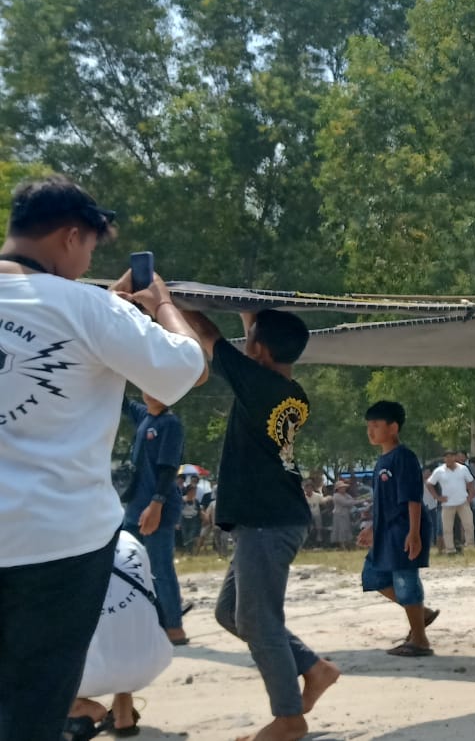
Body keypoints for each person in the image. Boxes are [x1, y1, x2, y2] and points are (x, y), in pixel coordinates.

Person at [1, 176, 208, 739]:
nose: (89, 259)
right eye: (91, 246)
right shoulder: (88, 308)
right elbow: (183, 366)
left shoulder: (88, 307)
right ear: (72, 235)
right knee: (36, 701)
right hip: (58, 541)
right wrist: (159, 301)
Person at [181, 305, 339, 739]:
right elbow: (252, 348)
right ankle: (314, 668)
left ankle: (289, 718)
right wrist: (251, 319)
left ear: (259, 350)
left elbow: (209, 335)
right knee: (233, 615)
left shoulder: (255, 383)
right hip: (271, 518)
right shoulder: (290, 392)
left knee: (257, 618)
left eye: (250, 339)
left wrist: (172, 303)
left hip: (268, 520)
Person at [62, 531, 175, 740]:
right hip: (148, 662)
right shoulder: (130, 540)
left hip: (87, 677)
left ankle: (80, 707)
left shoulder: (58, 544)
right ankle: (124, 714)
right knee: (122, 626)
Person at [358, 401, 436, 658]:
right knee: (373, 577)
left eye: (376, 425)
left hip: (403, 528)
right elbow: (383, 502)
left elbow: (412, 498)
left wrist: (414, 533)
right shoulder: (381, 460)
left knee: (405, 580)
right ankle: (420, 614)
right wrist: (372, 528)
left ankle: (420, 641)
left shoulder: (403, 457)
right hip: (385, 531)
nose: (371, 431)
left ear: (393, 427)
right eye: (369, 426)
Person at [120, 392, 189, 646]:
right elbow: (123, 402)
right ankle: (144, 621)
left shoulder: (170, 424)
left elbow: (168, 468)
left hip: (157, 506)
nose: (151, 393)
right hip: (134, 507)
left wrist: (156, 503)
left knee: (160, 567)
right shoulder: (145, 416)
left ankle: (174, 627)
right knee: (128, 565)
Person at [427, 451, 475, 554]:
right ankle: (450, 549)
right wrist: (437, 497)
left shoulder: (463, 469)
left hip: (463, 502)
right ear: (444, 459)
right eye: (446, 457)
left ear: (454, 457)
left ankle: (470, 546)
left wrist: (471, 495)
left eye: (450, 457)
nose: (449, 459)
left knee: (469, 525)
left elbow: (470, 481)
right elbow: (429, 483)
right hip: (447, 504)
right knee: (447, 528)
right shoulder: (439, 471)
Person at [330, 482, 358, 550]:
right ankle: (342, 546)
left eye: (344, 487)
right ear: (338, 489)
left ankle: (348, 545)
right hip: (339, 515)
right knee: (340, 530)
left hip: (346, 515)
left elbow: (352, 501)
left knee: (346, 529)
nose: (344, 489)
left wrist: (359, 500)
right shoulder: (336, 496)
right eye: (342, 487)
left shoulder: (347, 495)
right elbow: (346, 503)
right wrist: (358, 501)